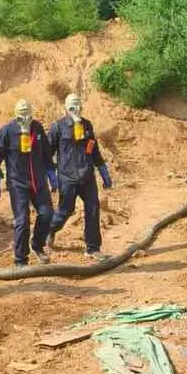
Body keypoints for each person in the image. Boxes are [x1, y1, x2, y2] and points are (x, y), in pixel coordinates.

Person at [0, 98, 55, 266]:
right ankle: (20, 259)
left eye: (28, 116)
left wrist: (52, 175)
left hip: (38, 181)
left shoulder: (37, 128)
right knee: (22, 221)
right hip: (18, 184)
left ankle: (37, 245)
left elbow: (46, 153)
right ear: (15, 116)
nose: (25, 120)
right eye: (21, 117)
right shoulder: (7, 131)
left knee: (47, 214)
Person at [47, 93, 113, 263]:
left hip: (87, 176)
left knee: (93, 208)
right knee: (66, 210)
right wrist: (49, 174)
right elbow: (47, 152)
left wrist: (103, 172)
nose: (76, 110)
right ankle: (50, 230)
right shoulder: (58, 127)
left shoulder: (87, 125)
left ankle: (93, 248)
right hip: (67, 178)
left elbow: (94, 149)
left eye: (78, 106)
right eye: (72, 107)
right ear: (66, 109)